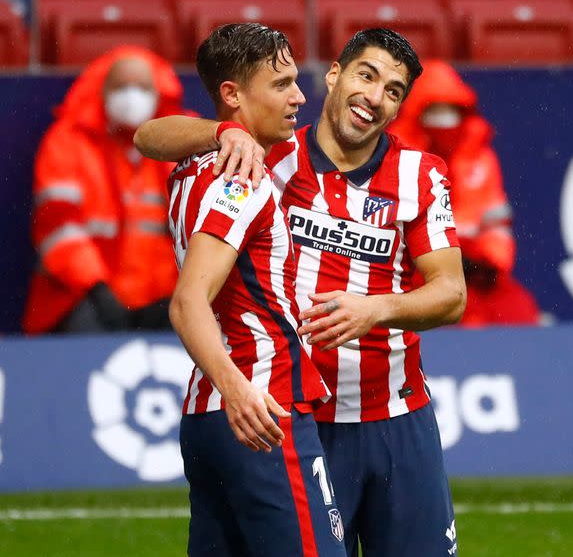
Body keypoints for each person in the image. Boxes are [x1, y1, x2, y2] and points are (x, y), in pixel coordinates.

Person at [135, 29, 466, 557]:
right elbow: (149, 136)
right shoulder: (270, 155)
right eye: (366, 75)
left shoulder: (420, 176)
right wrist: (223, 132)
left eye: (394, 91)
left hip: (395, 418)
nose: (375, 97)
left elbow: (452, 293)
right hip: (298, 416)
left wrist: (378, 308)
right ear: (334, 74)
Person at [166, 23, 345, 557]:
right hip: (262, 409)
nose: (298, 97)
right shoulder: (238, 180)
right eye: (281, 84)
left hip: (208, 417)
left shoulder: (191, 166)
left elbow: (146, 136)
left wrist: (220, 131)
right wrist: (239, 390)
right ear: (232, 94)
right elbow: (187, 300)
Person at [23, 46, 185, 334]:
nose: (132, 96)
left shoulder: (180, 143)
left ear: (158, 94)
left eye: (142, 87)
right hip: (85, 295)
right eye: (121, 86)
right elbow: (57, 230)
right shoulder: (67, 143)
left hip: (166, 299)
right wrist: (98, 290)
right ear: (103, 90)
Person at [388, 60, 540, 327]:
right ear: (418, 113)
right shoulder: (395, 155)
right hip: (414, 273)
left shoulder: (480, 156)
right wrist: (439, 257)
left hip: (475, 274)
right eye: (434, 112)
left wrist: (489, 263)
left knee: (518, 309)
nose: (444, 121)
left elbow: (496, 222)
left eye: (450, 111)